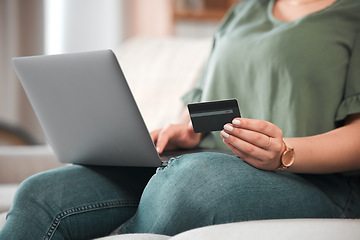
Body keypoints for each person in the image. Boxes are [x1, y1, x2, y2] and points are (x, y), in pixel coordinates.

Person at [1, 0, 360, 239]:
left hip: (317, 183)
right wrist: (184, 129)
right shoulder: (246, 9)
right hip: (198, 162)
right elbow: (206, 96)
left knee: (188, 184)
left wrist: (283, 152)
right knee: (40, 194)